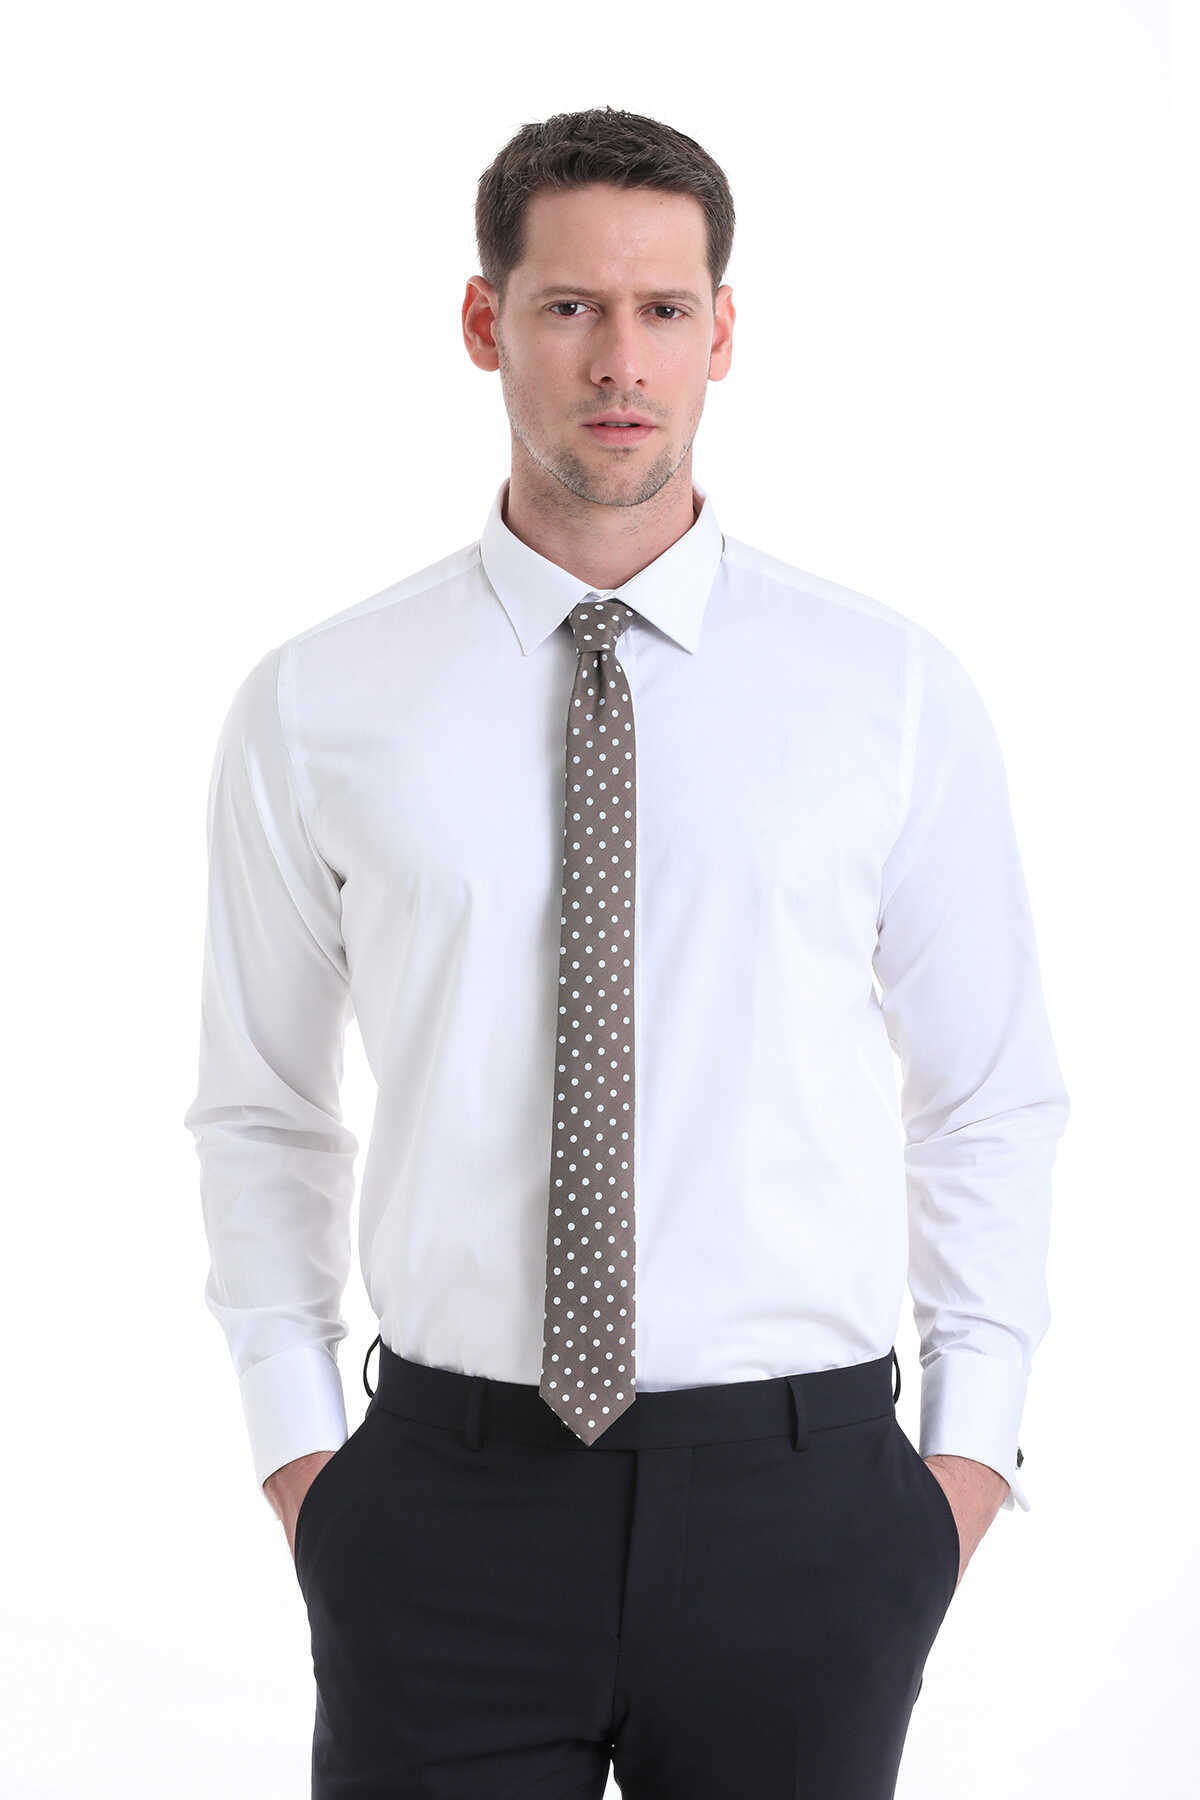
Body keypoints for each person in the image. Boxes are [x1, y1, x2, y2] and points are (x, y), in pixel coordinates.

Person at [182, 105, 1070, 1800]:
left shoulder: (886, 695)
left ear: (722, 333)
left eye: (665, 310)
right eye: (570, 307)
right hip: (442, 1506)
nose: (621, 361)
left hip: (803, 1508)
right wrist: (307, 1462)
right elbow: (264, 1109)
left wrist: (959, 1473)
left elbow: (988, 1098)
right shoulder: (319, 705)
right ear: (484, 322)